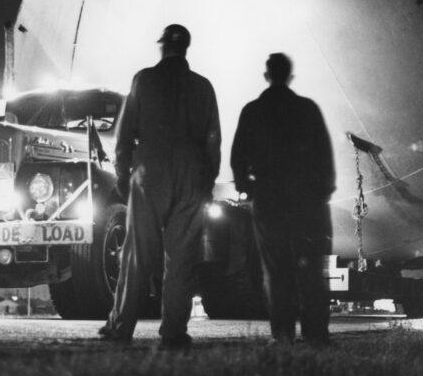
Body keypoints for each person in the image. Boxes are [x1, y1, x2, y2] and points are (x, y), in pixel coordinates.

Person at [99, 24, 221, 348]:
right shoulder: (204, 87)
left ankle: (120, 326)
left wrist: (124, 177)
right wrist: (206, 182)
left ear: (162, 47)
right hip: (192, 175)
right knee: (181, 260)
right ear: (186, 49)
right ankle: (173, 333)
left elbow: (123, 137)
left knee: (136, 253)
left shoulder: (144, 80)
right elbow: (213, 141)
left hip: (150, 172)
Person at [231, 53, 335, 345]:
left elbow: (238, 156)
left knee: (276, 271)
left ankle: (283, 335)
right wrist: (322, 193)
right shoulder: (307, 109)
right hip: (306, 201)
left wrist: (247, 188)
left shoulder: (252, 111)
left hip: (269, 198)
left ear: (267, 76)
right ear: (290, 76)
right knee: (311, 268)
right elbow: (323, 155)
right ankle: (316, 334)